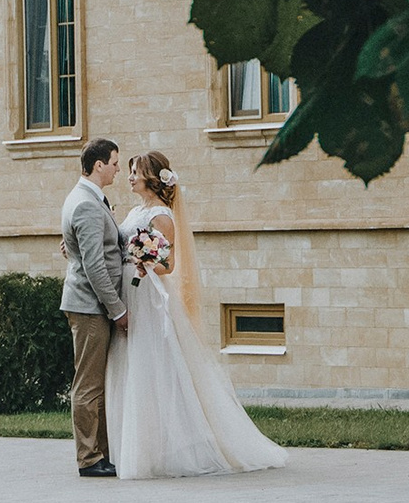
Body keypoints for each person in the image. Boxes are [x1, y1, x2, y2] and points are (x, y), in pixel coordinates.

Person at [103, 150, 288, 479]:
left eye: (136, 171)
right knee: (132, 363)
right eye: (128, 170)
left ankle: (172, 448)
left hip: (147, 294)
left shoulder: (161, 216)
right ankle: (138, 446)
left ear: (152, 177)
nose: (130, 176)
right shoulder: (135, 210)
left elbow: (169, 265)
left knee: (154, 364)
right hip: (128, 290)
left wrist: (145, 261)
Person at [58, 138, 126, 478]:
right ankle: (89, 458)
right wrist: (117, 309)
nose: (117, 168)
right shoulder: (85, 203)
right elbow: (94, 266)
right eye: (114, 162)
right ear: (98, 165)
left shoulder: (88, 198)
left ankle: (101, 454)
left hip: (92, 304)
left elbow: (81, 250)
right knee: (87, 385)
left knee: (95, 383)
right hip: (89, 306)